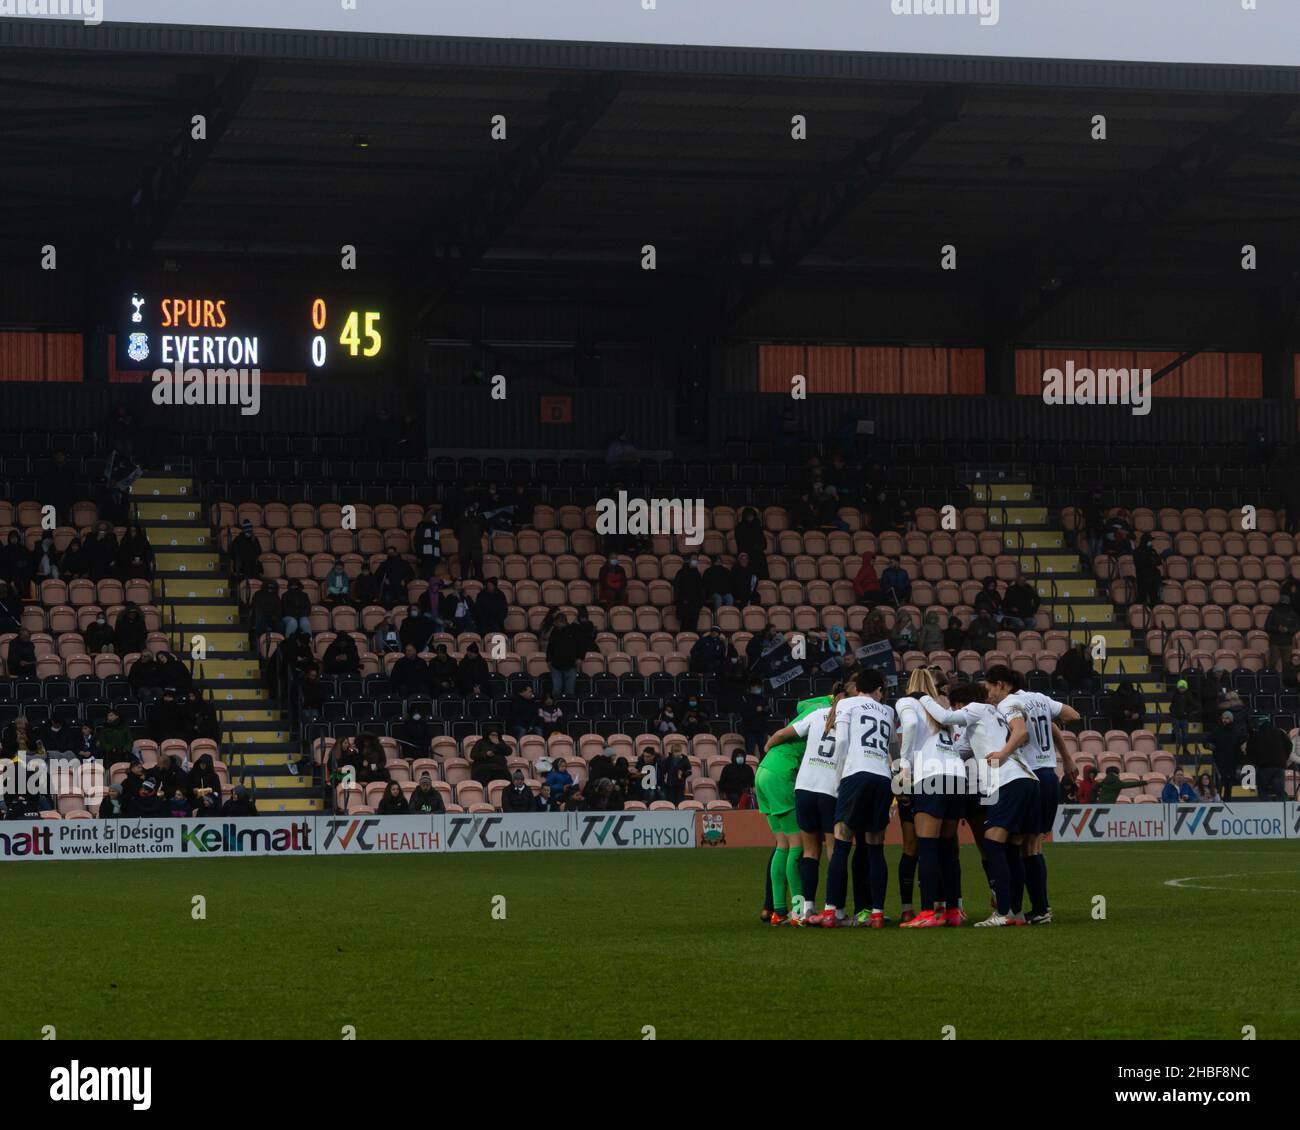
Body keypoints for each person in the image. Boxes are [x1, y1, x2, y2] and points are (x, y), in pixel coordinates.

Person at [985, 665, 1080, 926]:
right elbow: (1071, 715)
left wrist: (1004, 752)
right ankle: (1038, 909)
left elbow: (1021, 731)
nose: (989, 694)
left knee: (1018, 844)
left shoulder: (1010, 703)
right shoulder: (1039, 699)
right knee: (1033, 845)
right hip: (1050, 775)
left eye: (990, 687)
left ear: (1002, 685)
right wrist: (1068, 759)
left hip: (1030, 776)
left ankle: (1021, 908)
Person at [806, 669, 897, 929]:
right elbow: (890, 746)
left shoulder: (847, 703)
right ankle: (877, 913)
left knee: (842, 842)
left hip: (855, 775)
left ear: (858, 688)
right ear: (879, 690)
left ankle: (830, 911)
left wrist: (837, 781)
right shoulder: (887, 712)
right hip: (882, 778)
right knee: (875, 847)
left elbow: (843, 741)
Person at [1244, 715, 1290, 801]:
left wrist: (1255, 761)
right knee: (1280, 790)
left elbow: (1249, 749)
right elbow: (1289, 745)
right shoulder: (1280, 732)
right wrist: (1284, 758)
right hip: (1279, 766)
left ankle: (1267, 810)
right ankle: (1285, 809)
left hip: (1264, 767)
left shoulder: (1256, 735)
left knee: (1263, 790)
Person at [1264, 595, 1300, 674]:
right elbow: (1267, 627)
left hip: (1287, 643)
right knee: (1273, 663)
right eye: (1282, 603)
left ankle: (1285, 682)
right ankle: (1271, 680)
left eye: (1285, 603)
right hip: (1275, 643)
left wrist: (1287, 630)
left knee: (1287, 665)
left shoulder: (1292, 614)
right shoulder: (1273, 613)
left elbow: (1296, 628)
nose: (1284, 605)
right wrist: (1277, 629)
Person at [545, 614, 579, 698]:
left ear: (562, 622)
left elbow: (579, 646)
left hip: (570, 666)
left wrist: (579, 658)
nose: (555, 625)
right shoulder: (554, 631)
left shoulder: (573, 631)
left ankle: (569, 710)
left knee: (570, 693)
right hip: (556, 667)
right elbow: (550, 647)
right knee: (556, 691)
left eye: (556, 623)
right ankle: (556, 710)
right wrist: (548, 660)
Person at [673, 555, 705, 632]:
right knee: (684, 627)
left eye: (696, 559)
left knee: (693, 628)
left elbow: (700, 589)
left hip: (695, 605)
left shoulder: (697, 573)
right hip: (684, 605)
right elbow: (677, 589)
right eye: (694, 559)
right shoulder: (681, 573)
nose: (695, 561)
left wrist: (700, 602)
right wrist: (682, 600)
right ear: (688, 560)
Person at [1132, 534, 1164, 609]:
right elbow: (1140, 564)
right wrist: (1150, 560)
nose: (1151, 543)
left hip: (1154, 577)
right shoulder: (1137, 551)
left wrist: (1150, 560)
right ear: (1144, 541)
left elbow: (1158, 561)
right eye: (1149, 541)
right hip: (1143, 577)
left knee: (1155, 598)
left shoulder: (1152, 550)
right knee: (1142, 598)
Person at [454, 506, 485, 581]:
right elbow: (456, 533)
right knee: (464, 569)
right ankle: (464, 585)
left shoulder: (479, 519)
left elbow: (481, 532)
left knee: (478, 569)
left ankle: (478, 585)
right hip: (465, 548)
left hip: (475, 547)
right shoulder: (460, 521)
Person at [412, 506, 442, 579]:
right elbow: (417, 541)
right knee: (425, 575)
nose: (434, 516)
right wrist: (418, 555)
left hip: (434, 555)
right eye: (433, 514)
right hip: (425, 556)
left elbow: (438, 541)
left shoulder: (436, 526)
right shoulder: (421, 525)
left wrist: (440, 554)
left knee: (431, 575)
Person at [1169, 677, 1196, 757]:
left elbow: (1193, 705)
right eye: (1180, 687)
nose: (1181, 689)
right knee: (1178, 733)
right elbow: (1172, 706)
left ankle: (1185, 749)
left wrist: (1186, 712)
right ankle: (1176, 746)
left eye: (1183, 688)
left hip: (1184, 717)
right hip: (1175, 717)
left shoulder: (1189, 695)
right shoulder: (1175, 695)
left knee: (1185, 735)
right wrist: (1173, 713)